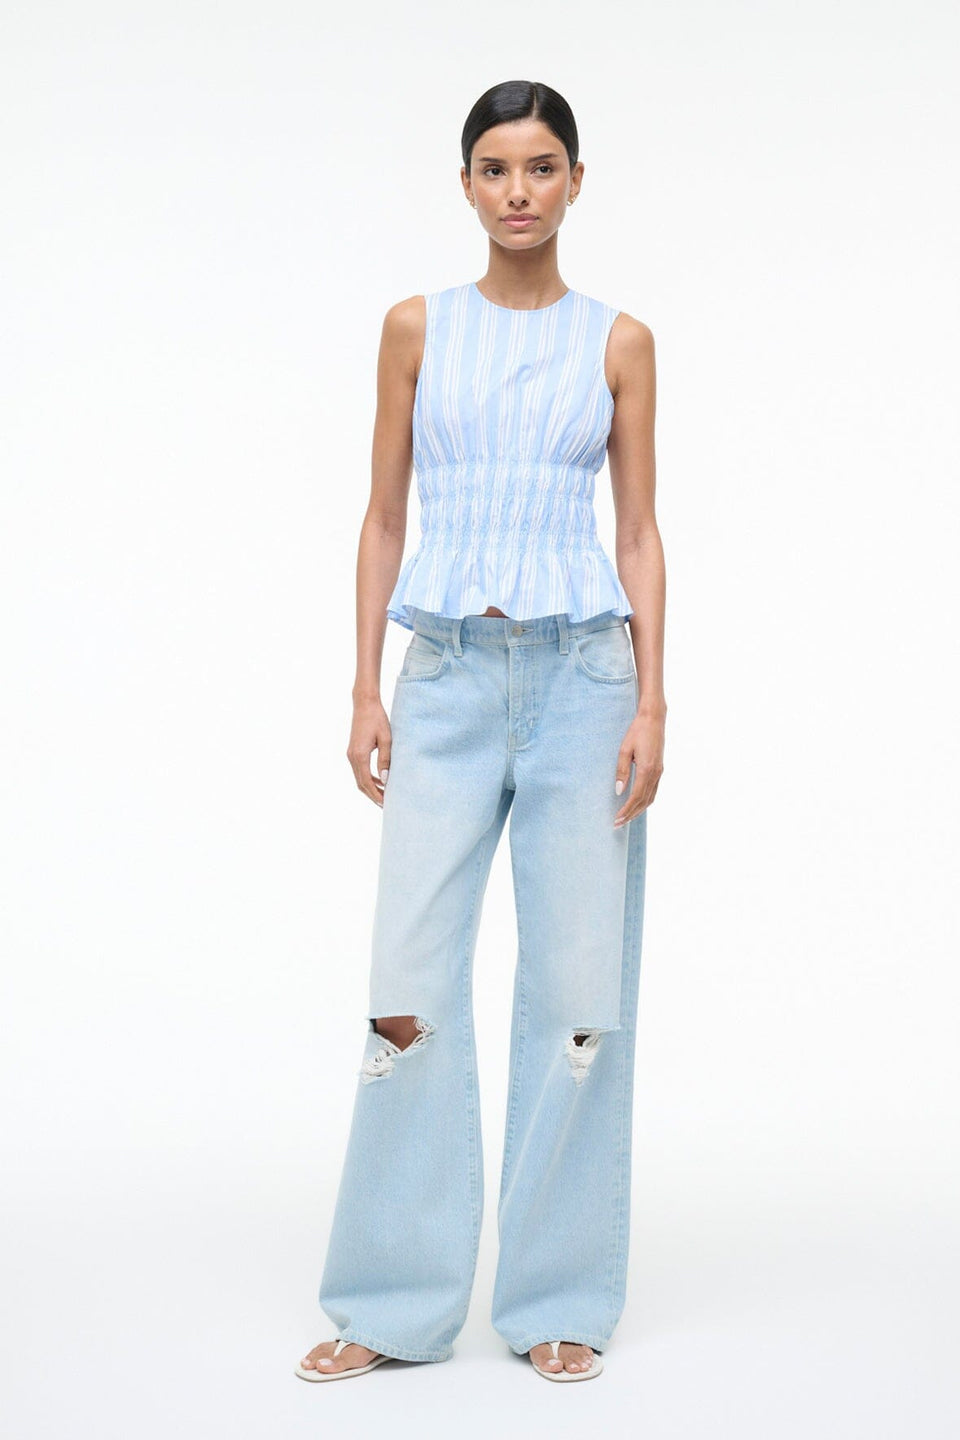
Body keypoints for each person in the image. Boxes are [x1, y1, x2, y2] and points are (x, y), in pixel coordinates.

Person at [297, 78, 666, 1385]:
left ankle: (560, 1295)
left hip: (583, 683)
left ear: (576, 181)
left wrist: (653, 701)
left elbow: (637, 532)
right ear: (466, 184)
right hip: (446, 680)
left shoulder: (620, 342)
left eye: (542, 166)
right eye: (497, 168)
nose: (520, 190)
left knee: (578, 997)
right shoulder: (416, 328)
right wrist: (365, 687)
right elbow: (382, 515)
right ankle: (391, 1303)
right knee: (407, 991)